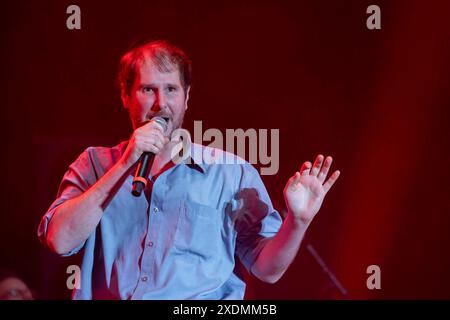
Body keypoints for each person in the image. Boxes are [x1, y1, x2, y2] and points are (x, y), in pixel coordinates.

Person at [37, 40, 340, 299]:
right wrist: (125, 164)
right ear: (125, 96)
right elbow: (60, 240)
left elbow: (267, 269)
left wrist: (297, 222)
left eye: (171, 89)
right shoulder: (94, 164)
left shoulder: (231, 174)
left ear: (187, 98)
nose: (160, 103)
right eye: (147, 89)